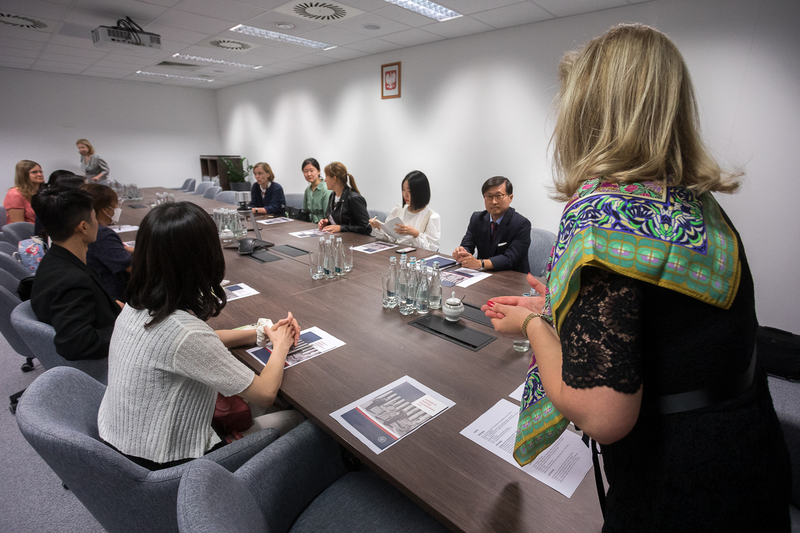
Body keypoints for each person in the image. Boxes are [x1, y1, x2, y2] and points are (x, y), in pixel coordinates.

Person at [482, 24, 790, 530]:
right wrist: (558, 308)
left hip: (678, 487)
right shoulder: (697, 205)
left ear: (588, 113)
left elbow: (602, 416)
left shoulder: (605, 217)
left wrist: (533, 326)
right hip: (748, 453)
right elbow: (670, 324)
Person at [97, 202, 304, 470]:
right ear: (205, 257)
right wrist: (281, 344)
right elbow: (265, 393)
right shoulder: (184, 333)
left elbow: (201, 343)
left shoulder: (138, 307)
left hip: (126, 445)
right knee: (297, 418)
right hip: (170, 464)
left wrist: (259, 333)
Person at [30, 187, 121, 361]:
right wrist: (128, 330)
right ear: (84, 227)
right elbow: (76, 343)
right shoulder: (72, 281)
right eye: (94, 217)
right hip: (108, 362)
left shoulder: (53, 259)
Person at [452, 176, 530, 273]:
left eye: (499, 196)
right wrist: (462, 252)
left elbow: (510, 258)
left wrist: (480, 263)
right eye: (489, 196)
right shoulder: (477, 219)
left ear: (510, 198)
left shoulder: (521, 224)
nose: (494, 202)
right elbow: (467, 245)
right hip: (482, 275)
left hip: (512, 276)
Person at [82, 183, 133, 302]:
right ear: (105, 210)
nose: (117, 209)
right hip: (115, 298)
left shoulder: (85, 229)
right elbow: (133, 268)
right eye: (115, 206)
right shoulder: (102, 234)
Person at [369, 170, 441, 251]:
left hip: (416, 257)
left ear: (421, 193)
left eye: (409, 191)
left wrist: (416, 234)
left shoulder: (431, 217)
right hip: (395, 253)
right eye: (403, 190)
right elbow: (390, 239)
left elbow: (432, 249)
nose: (405, 195)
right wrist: (379, 227)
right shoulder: (398, 210)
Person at [318, 162, 370, 235]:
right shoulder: (332, 195)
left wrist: (341, 228)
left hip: (353, 239)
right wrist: (327, 222)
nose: (325, 180)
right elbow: (338, 221)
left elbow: (366, 228)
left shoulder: (354, 198)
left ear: (334, 179)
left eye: (326, 176)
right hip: (338, 238)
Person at [301, 157, 331, 223]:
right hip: (308, 224)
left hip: (322, 224)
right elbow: (305, 211)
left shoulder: (326, 189)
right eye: (305, 171)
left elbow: (327, 215)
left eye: (311, 171)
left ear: (319, 171)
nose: (309, 174)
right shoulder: (308, 190)